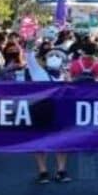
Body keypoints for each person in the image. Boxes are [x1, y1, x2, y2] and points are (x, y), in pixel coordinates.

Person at [26, 42, 72, 183]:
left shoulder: (65, 75)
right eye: (51, 55)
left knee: (62, 141)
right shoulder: (38, 71)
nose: (54, 57)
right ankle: (43, 171)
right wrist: (29, 42)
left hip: (59, 110)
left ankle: (61, 170)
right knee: (39, 141)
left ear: (63, 60)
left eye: (57, 55)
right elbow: (28, 54)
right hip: (40, 109)